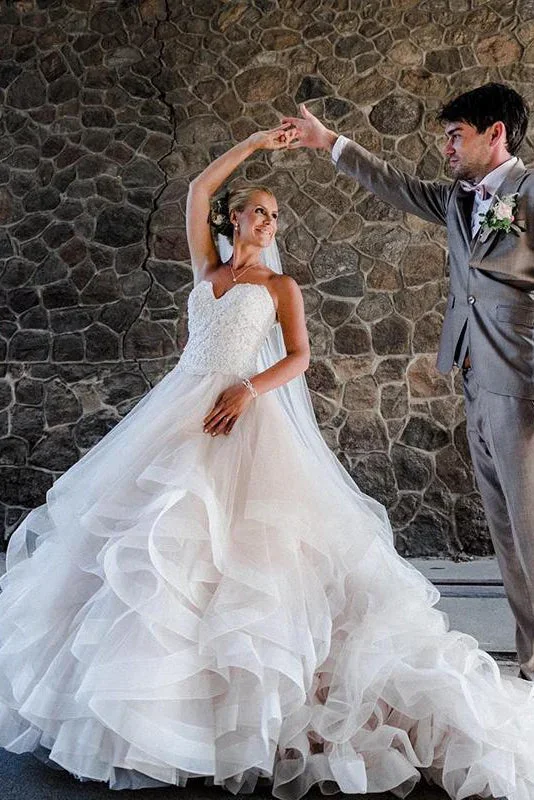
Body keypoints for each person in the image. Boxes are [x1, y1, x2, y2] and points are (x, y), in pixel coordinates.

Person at [1, 126, 534, 800]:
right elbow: (197, 190)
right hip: (179, 411)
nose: (266, 218)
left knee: (247, 563)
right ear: (235, 219)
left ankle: (244, 712)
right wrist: (256, 142)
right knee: (157, 553)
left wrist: (251, 387)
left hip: (242, 413)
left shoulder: (281, 286)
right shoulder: (209, 269)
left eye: (275, 214)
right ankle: (159, 716)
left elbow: (301, 358)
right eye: (257, 208)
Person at [283, 82, 534, 682]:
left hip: (523, 384)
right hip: (475, 379)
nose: (446, 147)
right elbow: (394, 184)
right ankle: (530, 659)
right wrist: (331, 144)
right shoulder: (457, 199)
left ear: (495, 133)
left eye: (456, 136)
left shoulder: (529, 192)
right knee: (506, 531)